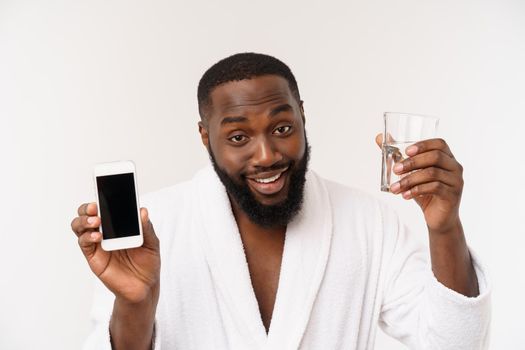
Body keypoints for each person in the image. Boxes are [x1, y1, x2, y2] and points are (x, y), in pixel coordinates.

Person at [71, 53, 491, 350]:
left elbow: (456, 344)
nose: (267, 155)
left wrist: (445, 226)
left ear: (302, 116)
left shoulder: (370, 224)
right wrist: (135, 302)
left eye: (283, 128)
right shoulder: (156, 224)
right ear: (205, 136)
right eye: (238, 137)